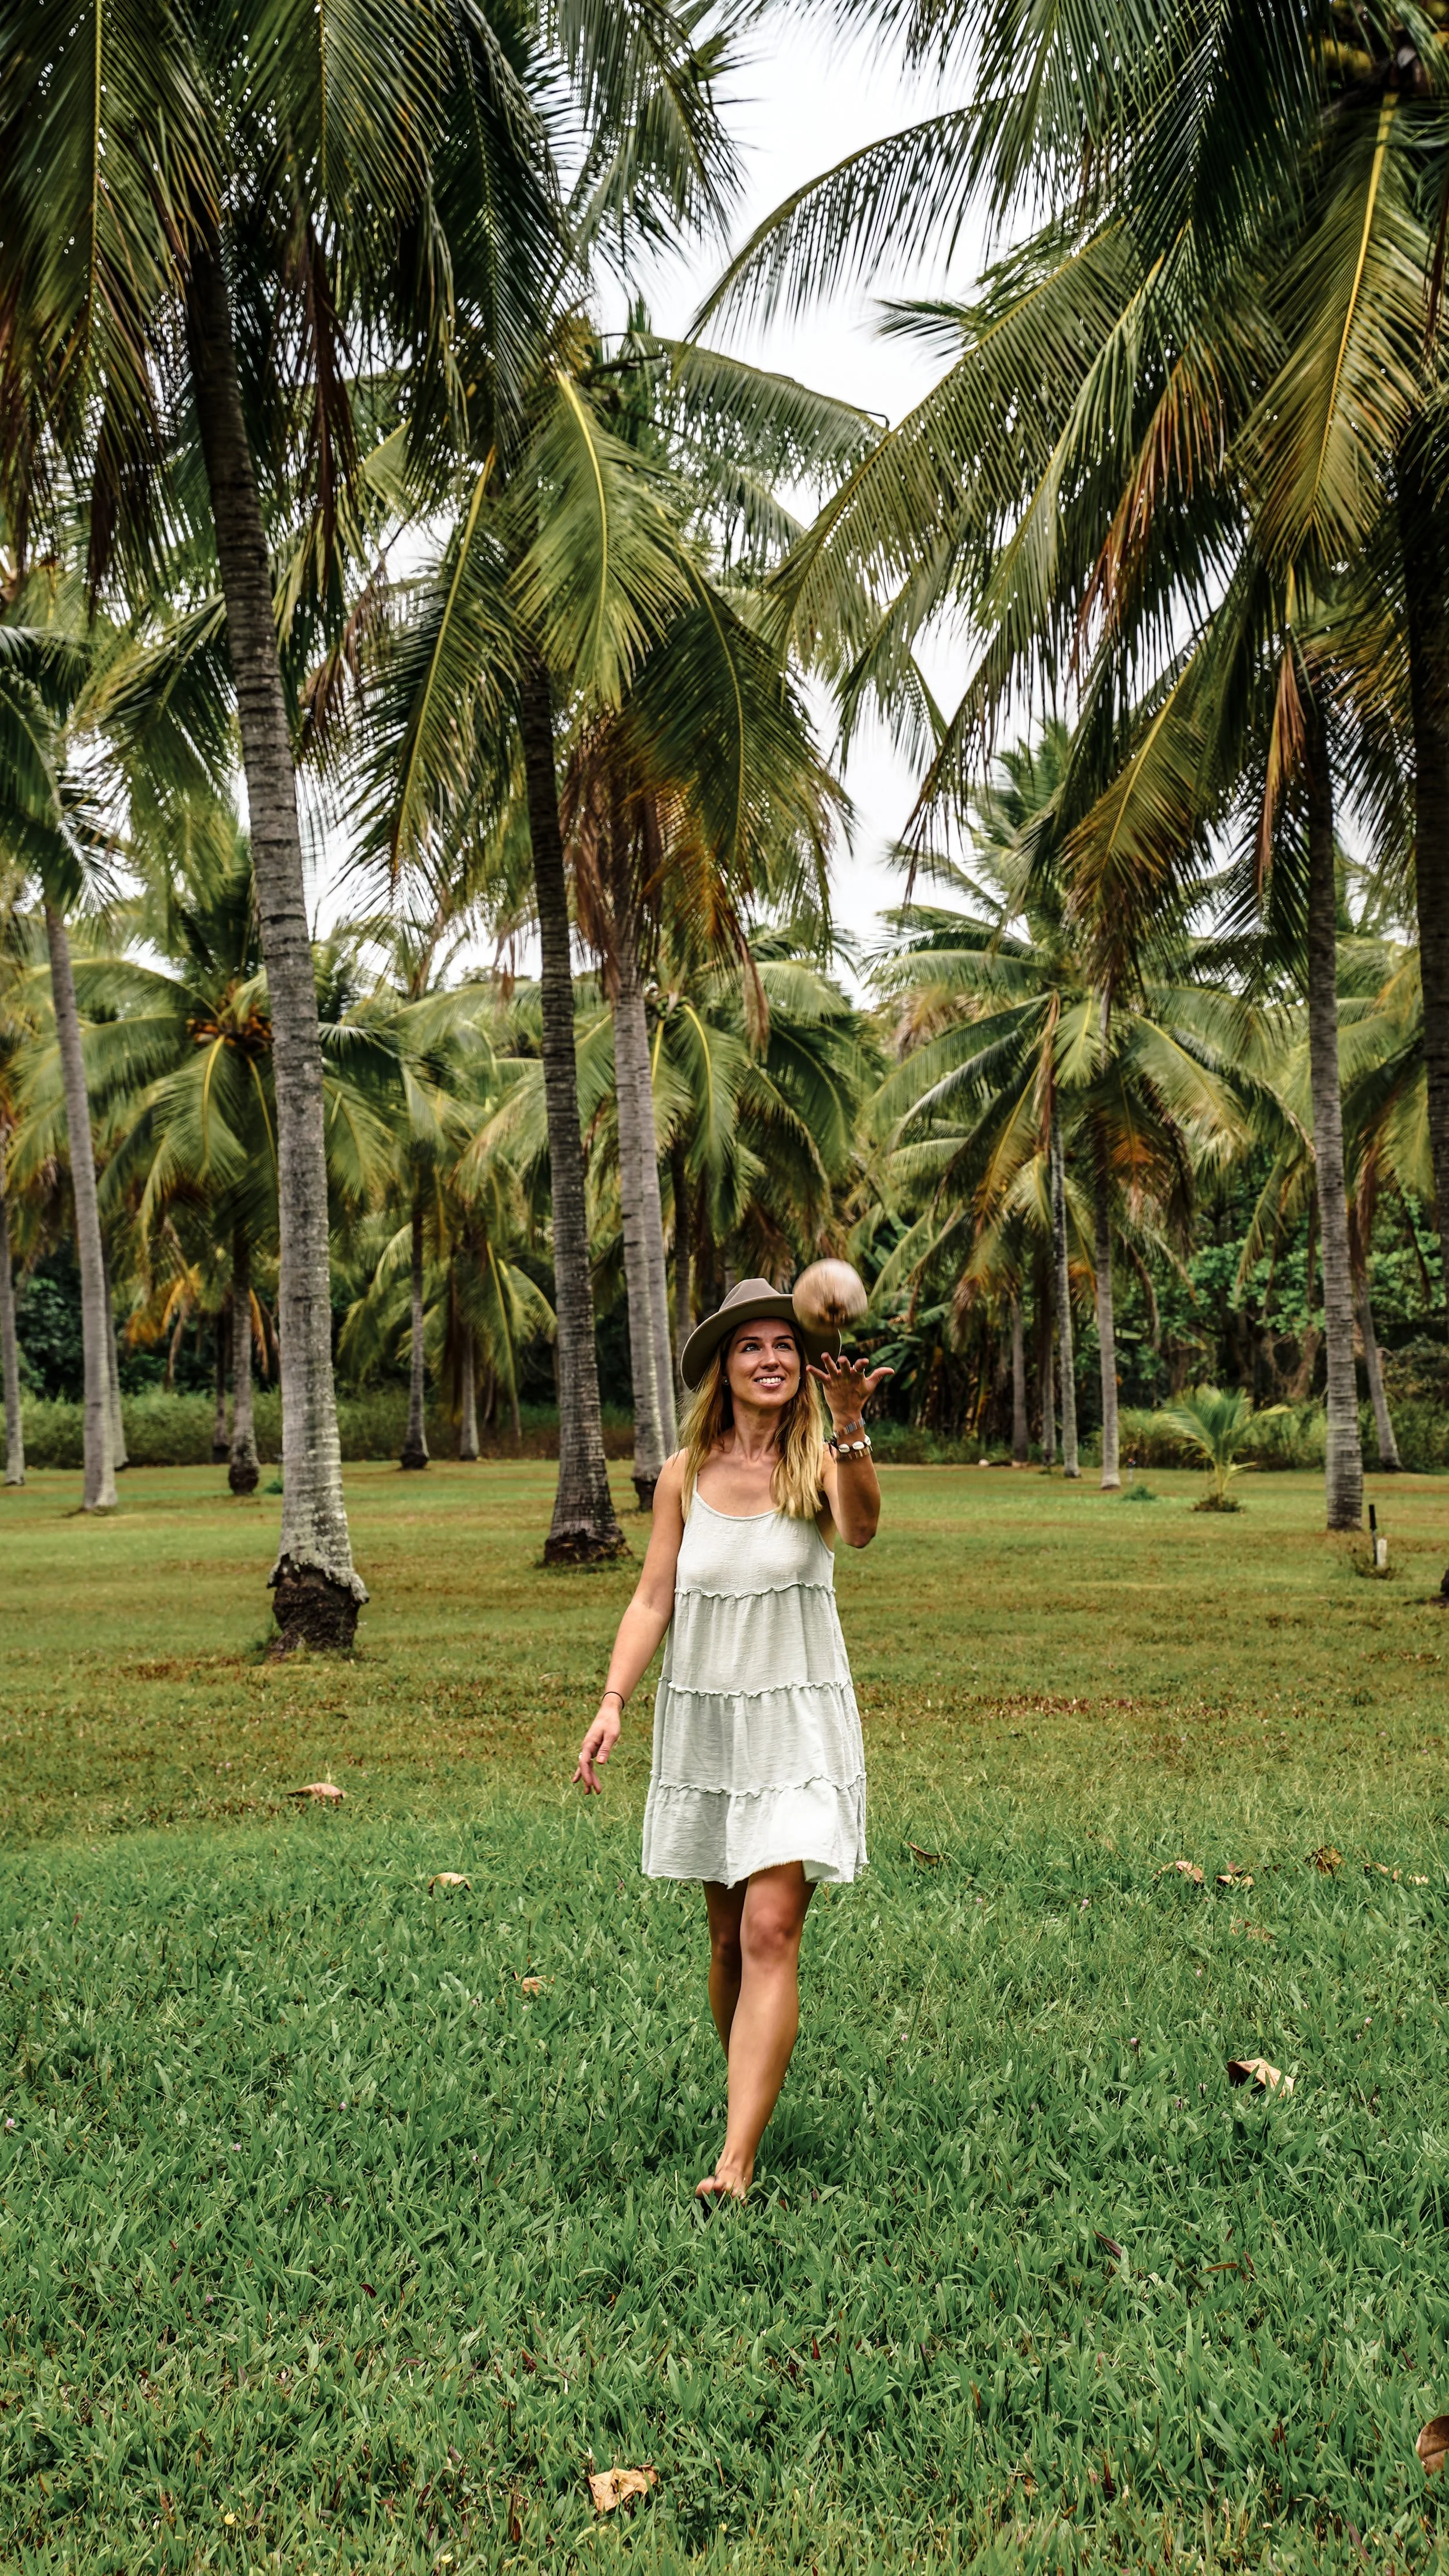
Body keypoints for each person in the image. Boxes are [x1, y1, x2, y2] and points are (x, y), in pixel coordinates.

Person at [572, 1276, 892, 2202]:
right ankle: (748, 2097)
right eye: (752, 1345)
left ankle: (736, 2160)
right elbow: (651, 1598)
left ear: (805, 1363)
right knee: (724, 1943)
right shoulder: (684, 1474)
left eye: (785, 1345)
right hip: (709, 1721)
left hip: (796, 1722)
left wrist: (849, 1425)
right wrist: (612, 1700)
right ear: (724, 1366)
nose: (771, 1359)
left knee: (770, 1925)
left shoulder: (820, 1461)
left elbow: (863, 1530)